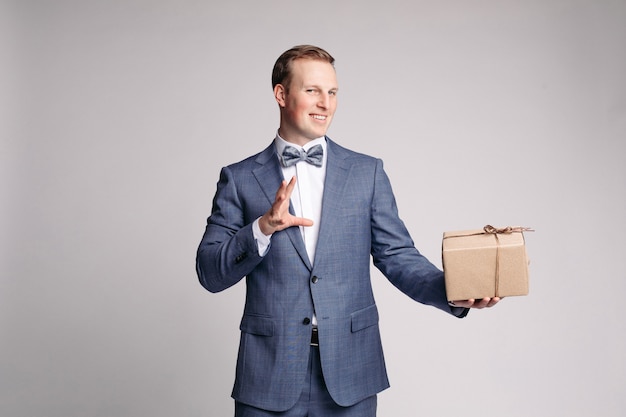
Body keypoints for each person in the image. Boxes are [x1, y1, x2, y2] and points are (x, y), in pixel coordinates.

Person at [196, 45, 499, 417]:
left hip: (350, 372)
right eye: (312, 91)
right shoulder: (239, 178)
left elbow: (397, 256)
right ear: (281, 94)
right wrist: (262, 227)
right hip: (268, 373)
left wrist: (456, 292)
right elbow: (210, 272)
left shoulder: (366, 173)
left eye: (333, 92)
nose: (325, 103)